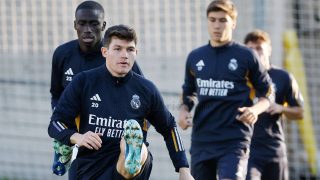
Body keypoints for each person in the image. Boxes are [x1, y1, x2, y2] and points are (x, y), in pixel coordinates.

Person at [48, 24, 194, 180]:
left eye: (130, 50)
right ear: (105, 52)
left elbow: (169, 127)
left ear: (136, 53)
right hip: (90, 165)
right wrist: (78, 137)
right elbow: (56, 123)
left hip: (129, 167)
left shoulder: (146, 89)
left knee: (138, 150)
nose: (125, 55)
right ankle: (132, 153)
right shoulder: (84, 82)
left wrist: (183, 168)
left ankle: (133, 153)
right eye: (118, 49)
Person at [178, 0, 274, 179]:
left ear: (233, 23)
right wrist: (183, 111)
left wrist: (255, 110)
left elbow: (268, 92)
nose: (217, 25)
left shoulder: (246, 56)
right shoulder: (195, 56)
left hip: (234, 140)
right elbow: (188, 90)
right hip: (202, 140)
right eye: (212, 20)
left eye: (223, 20)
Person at [49, 1, 144, 176]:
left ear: (103, 26)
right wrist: (62, 130)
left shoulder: (117, 57)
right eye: (82, 23)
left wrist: (136, 138)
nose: (87, 29)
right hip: (75, 128)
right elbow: (56, 94)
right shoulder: (62, 54)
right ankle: (66, 149)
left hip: (107, 131)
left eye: (94, 23)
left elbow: (142, 99)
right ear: (75, 25)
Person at [244, 30, 304, 180]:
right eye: (250, 49)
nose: (255, 53)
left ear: (269, 49)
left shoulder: (283, 77)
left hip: (274, 149)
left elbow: (300, 112)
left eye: (259, 48)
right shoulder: (240, 78)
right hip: (248, 148)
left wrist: (281, 108)